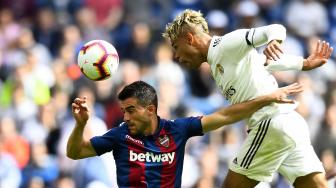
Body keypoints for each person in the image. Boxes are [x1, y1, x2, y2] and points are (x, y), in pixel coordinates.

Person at [163, 9, 333, 188]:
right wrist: (303, 63)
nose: (176, 56)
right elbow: (261, 63)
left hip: (270, 123)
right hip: (290, 123)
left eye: (176, 47)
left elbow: (275, 28)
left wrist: (274, 40)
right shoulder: (217, 62)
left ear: (190, 39)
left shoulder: (225, 44)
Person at [66, 80, 302, 187]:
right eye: (123, 111)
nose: (125, 117)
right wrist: (79, 125)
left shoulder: (177, 129)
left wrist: (268, 98)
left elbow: (226, 116)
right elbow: (75, 153)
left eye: (130, 111)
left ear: (150, 110)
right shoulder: (119, 135)